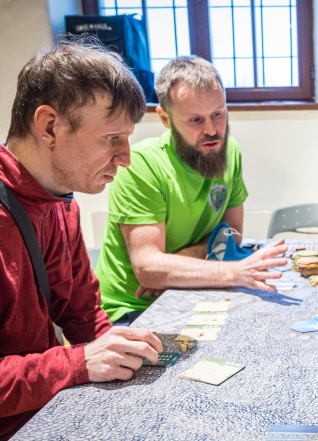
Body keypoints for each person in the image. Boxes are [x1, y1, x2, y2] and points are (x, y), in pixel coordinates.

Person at [0, 40, 164, 441]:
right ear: (49, 126)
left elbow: (83, 315)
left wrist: (125, 355)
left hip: (40, 417)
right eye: (112, 138)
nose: (126, 158)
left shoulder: (61, 204)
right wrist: (74, 363)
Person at [96, 56, 287, 324]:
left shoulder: (229, 150)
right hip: (134, 309)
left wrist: (176, 264)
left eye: (218, 114)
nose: (212, 130)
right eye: (196, 120)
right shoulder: (140, 164)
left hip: (193, 292)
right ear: (165, 118)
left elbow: (233, 237)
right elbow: (149, 269)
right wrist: (234, 271)